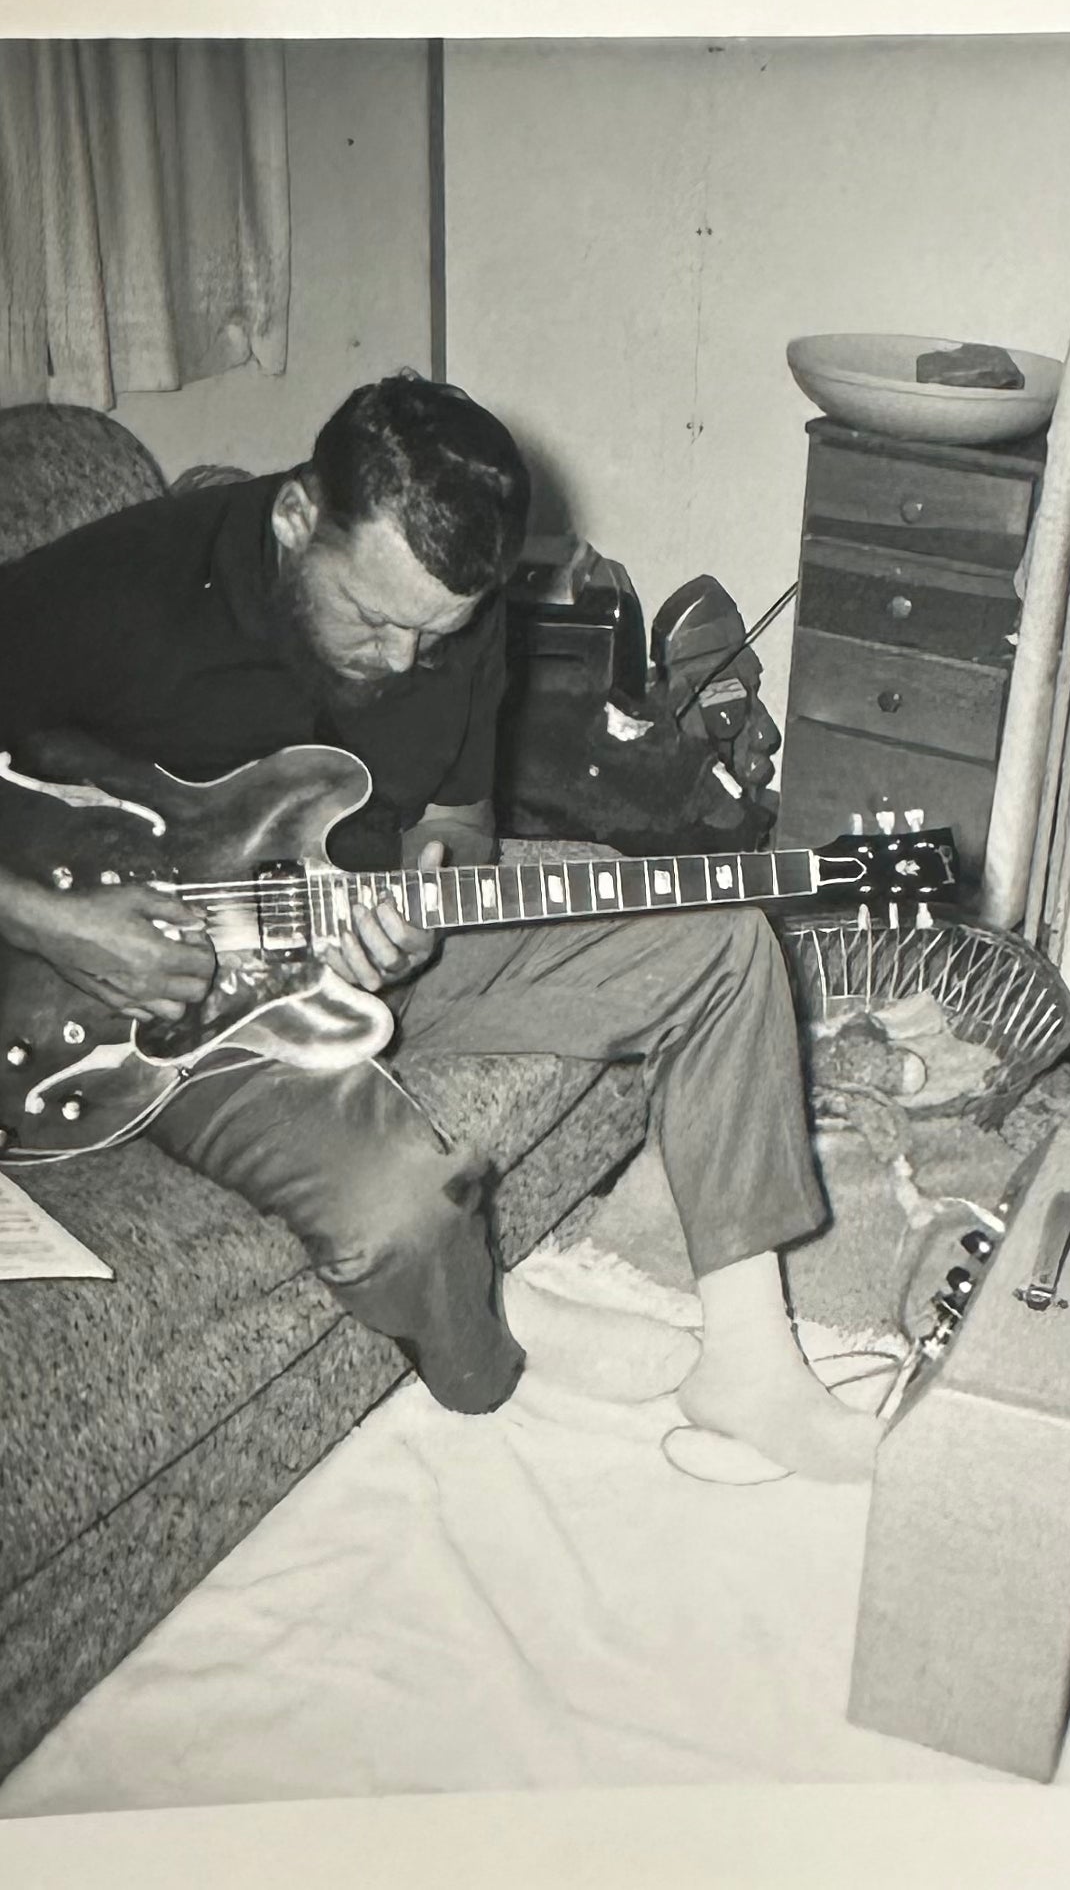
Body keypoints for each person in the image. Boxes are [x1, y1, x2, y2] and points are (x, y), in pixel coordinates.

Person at [0, 374, 880, 1482]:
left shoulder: (446, 607)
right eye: (373, 619)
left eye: (436, 633)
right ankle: (492, 1347)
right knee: (405, 1212)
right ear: (297, 518)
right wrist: (55, 922)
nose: (403, 661)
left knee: (722, 938)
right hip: (153, 1002)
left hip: (357, 935)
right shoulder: (127, 583)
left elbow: (460, 822)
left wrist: (421, 901)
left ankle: (749, 1364)